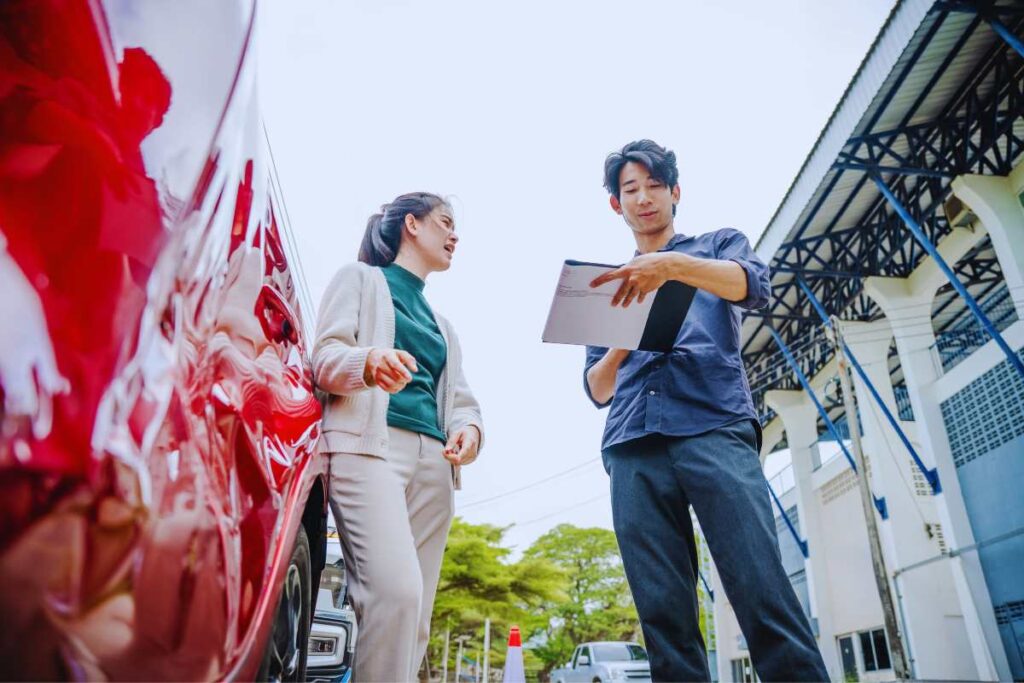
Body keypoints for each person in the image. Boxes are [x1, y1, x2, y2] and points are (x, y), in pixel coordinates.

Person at [583, 140, 829, 682]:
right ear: (615, 205)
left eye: (654, 185)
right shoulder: (606, 286)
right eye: (630, 189)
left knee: (759, 584)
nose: (643, 198)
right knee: (663, 612)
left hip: (713, 425)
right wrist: (626, 338)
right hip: (631, 445)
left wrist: (671, 266)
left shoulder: (718, 245)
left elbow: (753, 286)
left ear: (675, 192)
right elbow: (598, 389)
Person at [313, 192, 484, 682]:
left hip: (435, 470)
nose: (455, 236)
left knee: (415, 619)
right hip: (370, 450)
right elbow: (323, 355)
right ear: (411, 224)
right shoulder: (360, 280)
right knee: (396, 593)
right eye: (445, 223)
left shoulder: (442, 325)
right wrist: (366, 362)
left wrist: (468, 432)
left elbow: (463, 401)